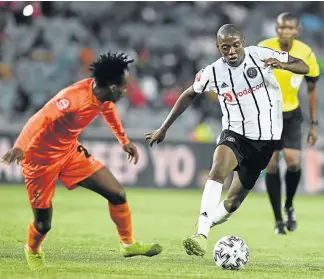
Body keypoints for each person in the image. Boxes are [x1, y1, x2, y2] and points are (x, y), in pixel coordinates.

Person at [144, 24, 309, 257]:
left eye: (235, 45)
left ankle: (205, 224)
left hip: (265, 142)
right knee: (218, 169)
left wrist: (282, 64)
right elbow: (189, 93)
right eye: (225, 48)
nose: (231, 51)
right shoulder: (212, 72)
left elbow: (303, 66)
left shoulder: (261, 55)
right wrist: (163, 128)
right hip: (235, 134)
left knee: (233, 203)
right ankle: (201, 235)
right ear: (218, 48)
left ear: (243, 41)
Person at [1, 52, 162, 271]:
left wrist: (123, 140)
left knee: (117, 194)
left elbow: (108, 109)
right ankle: (32, 249)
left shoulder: (101, 95)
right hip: (39, 161)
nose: (126, 91)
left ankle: (128, 244)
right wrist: (20, 145)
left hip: (69, 153)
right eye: (124, 88)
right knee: (43, 224)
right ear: (113, 88)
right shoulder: (72, 99)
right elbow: (39, 119)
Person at [258, 13, 320, 235]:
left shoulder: (306, 54)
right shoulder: (263, 48)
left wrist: (314, 123)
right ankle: (278, 220)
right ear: (276, 29)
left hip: (291, 113)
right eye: (281, 27)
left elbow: (311, 89)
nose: (285, 31)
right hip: (267, 114)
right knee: (272, 164)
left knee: (294, 162)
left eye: (289, 28)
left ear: (297, 31)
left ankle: (289, 204)